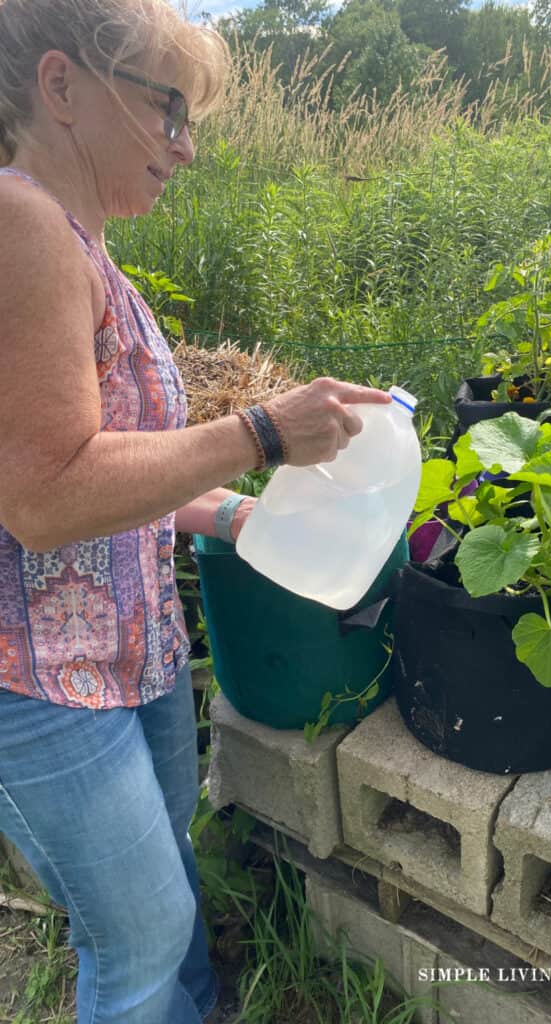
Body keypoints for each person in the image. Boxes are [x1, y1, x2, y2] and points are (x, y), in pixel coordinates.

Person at [0, 2, 391, 1021]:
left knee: (164, 901)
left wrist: (227, 514)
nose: (188, 147)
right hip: (41, 677)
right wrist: (260, 433)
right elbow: (43, 498)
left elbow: (108, 462)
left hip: (130, 653)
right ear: (62, 88)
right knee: (136, 940)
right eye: (169, 111)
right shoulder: (21, 225)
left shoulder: (83, 242)